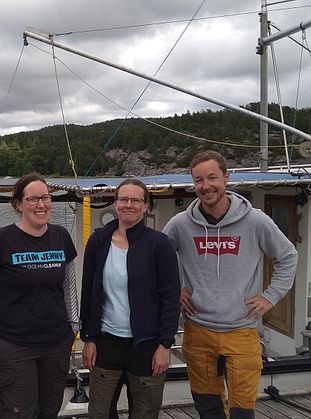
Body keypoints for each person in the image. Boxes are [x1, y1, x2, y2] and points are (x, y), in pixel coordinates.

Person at [163, 150, 298, 419]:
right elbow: (158, 262)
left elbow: (288, 256)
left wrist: (270, 297)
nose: (206, 186)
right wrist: (175, 290)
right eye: (199, 180)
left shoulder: (255, 220)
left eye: (212, 177)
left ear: (226, 177)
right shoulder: (180, 224)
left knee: (241, 409)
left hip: (242, 329)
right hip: (198, 328)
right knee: (207, 406)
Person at [0, 172, 79, 419]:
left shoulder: (61, 237)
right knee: (19, 414)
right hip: (14, 347)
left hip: (56, 345)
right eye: (32, 199)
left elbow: (70, 288)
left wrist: (73, 327)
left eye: (45, 198)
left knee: (49, 411)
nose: (41, 205)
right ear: (18, 204)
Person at [80, 178, 181, 419]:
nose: (129, 205)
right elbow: (88, 291)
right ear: (115, 204)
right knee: (100, 412)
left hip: (146, 345)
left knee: (145, 412)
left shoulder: (159, 244)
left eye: (136, 200)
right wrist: (88, 338)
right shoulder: (98, 241)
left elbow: (170, 296)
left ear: (146, 206)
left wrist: (165, 345)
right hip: (107, 343)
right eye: (123, 199)